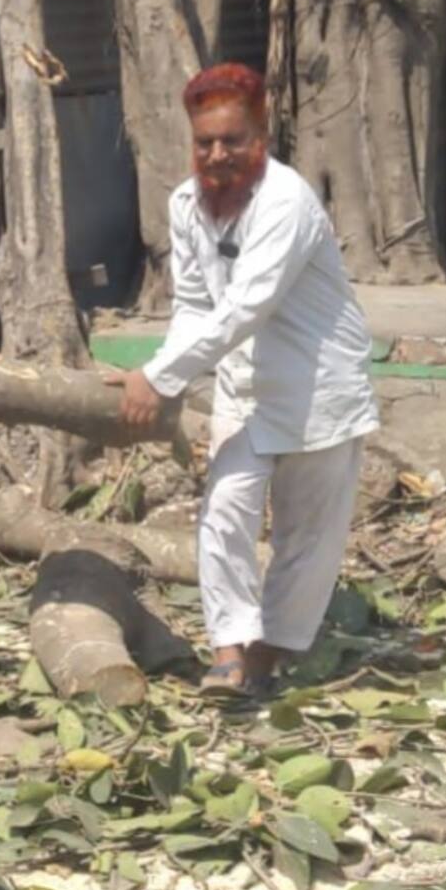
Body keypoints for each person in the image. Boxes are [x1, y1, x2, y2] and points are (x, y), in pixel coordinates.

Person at [103, 64, 377, 699]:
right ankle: (227, 649)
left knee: (306, 539)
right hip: (243, 388)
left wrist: (160, 376)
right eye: (205, 143)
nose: (218, 156)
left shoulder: (287, 202)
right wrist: (154, 375)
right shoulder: (185, 206)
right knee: (224, 511)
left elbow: (247, 305)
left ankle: (267, 660)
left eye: (233, 140)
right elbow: (196, 308)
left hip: (317, 389)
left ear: (262, 135)